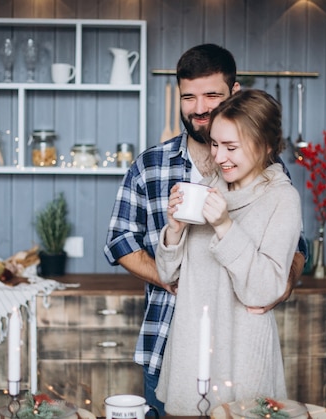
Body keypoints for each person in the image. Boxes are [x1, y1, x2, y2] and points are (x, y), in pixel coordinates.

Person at [104, 44, 307, 416]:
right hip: (169, 342)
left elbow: (292, 248)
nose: (199, 108)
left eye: (211, 95)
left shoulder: (272, 180)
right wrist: (173, 259)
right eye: (189, 97)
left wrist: (279, 287)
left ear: (234, 93)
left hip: (239, 352)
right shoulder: (156, 165)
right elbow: (120, 241)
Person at [155, 89, 302, 415]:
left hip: (243, 357)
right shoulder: (207, 188)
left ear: (265, 145)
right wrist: (174, 230)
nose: (219, 157)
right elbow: (167, 276)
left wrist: (224, 226)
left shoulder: (281, 200)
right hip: (190, 353)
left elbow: (263, 291)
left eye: (231, 147)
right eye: (215, 144)